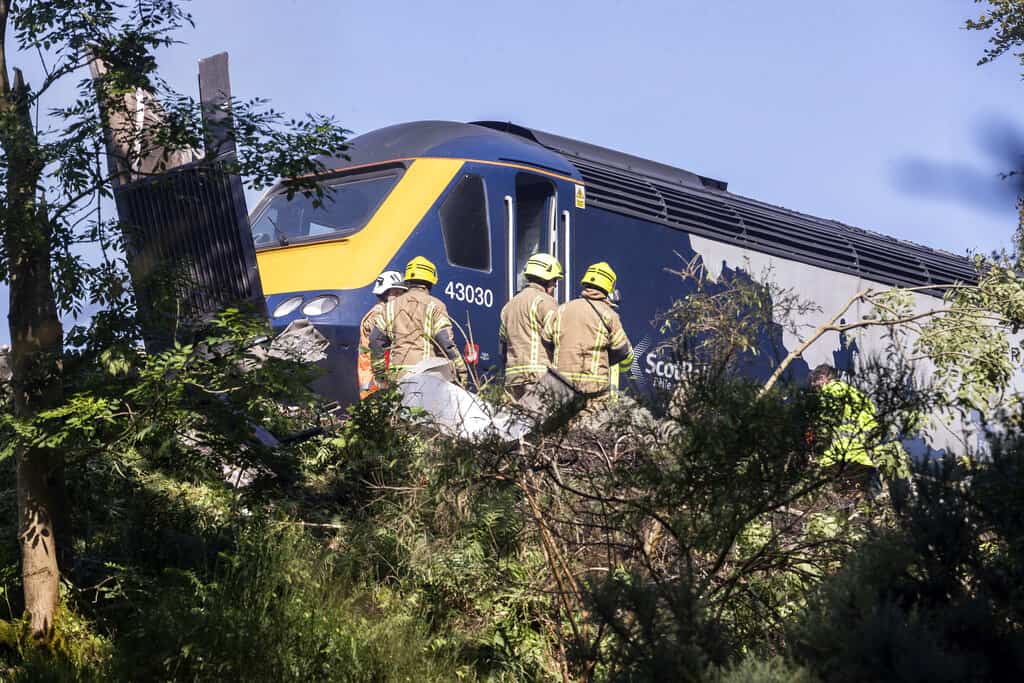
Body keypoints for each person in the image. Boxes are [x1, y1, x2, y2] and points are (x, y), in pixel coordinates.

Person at [370, 256, 468, 385]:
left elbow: (375, 340)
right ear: (430, 282)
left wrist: (380, 375)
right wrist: (461, 370)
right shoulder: (435, 305)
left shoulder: (390, 307)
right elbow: (446, 342)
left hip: (397, 376)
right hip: (426, 374)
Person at [553, 261, 634, 397]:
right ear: (609, 288)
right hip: (593, 390)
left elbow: (546, 340)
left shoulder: (562, 309)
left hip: (561, 385)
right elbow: (623, 351)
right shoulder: (609, 315)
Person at [809, 364, 882, 496]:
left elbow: (825, 425)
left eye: (815, 385)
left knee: (840, 501)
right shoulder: (856, 393)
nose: (815, 389)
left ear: (823, 379)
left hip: (842, 458)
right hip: (864, 458)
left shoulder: (831, 392)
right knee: (868, 501)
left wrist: (815, 444)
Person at [498, 253, 563, 400]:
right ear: (546, 280)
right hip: (537, 377)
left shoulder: (509, 306)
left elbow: (502, 345)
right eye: (554, 282)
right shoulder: (545, 301)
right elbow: (558, 337)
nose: (554, 286)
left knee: (518, 421)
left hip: (512, 380)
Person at [357, 270, 407, 399]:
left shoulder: (381, 311)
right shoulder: (379, 314)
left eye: (401, 294)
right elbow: (378, 343)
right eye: (395, 293)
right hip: (375, 378)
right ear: (384, 294)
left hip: (376, 376)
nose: (399, 298)